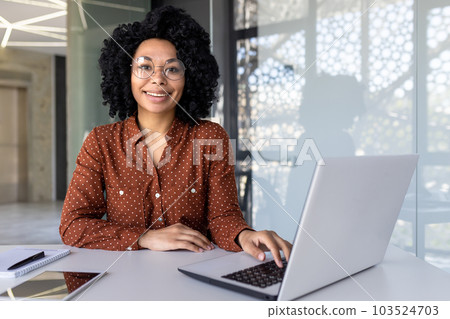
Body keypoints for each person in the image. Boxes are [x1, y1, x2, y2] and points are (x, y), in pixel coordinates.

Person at [59, 6, 291, 268]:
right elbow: (73, 225)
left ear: (188, 77)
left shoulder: (210, 137)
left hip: (193, 277)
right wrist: (145, 238)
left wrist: (245, 235)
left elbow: (223, 217)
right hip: (122, 280)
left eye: (172, 69)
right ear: (126, 74)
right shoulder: (101, 142)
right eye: (144, 67)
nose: (157, 79)